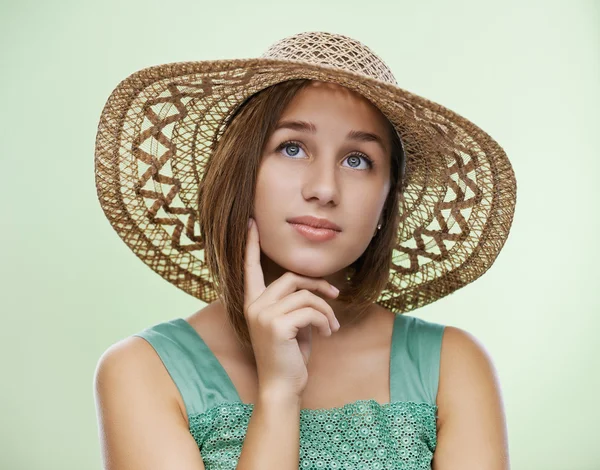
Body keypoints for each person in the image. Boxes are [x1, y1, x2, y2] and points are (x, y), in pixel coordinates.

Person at [93, 31, 515, 469]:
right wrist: (278, 394)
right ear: (239, 171)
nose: (324, 189)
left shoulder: (453, 366)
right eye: (292, 148)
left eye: (358, 160)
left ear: (388, 201)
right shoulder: (143, 371)